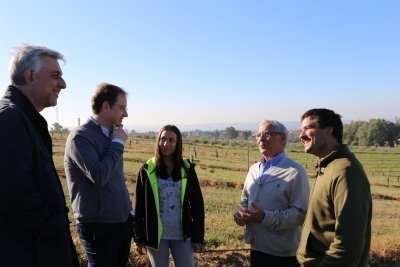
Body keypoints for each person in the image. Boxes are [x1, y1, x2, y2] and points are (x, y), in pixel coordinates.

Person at [0, 43, 79, 266]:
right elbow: (15, 194)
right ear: (30, 76)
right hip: (29, 253)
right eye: (56, 76)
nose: (63, 84)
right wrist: (55, 227)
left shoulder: (26, 119)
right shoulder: (10, 119)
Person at [64, 83, 133, 267]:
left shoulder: (111, 135)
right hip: (98, 227)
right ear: (105, 106)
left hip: (121, 222)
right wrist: (118, 143)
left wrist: (129, 212)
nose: (125, 114)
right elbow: (99, 176)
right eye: (122, 108)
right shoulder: (81, 137)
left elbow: (116, 179)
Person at [296, 108, 372, 266]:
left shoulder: (346, 171)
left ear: (329, 130)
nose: (301, 135)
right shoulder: (326, 166)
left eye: (308, 128)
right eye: (301, 129)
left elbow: (348, 244)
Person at [234, 119, 310, 267]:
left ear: (282, 138)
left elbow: (300, 214)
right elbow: (244, 200)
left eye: (267, 134)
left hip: (282, 253)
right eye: (258, 135)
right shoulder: (254, 169)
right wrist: (240, 215)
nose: (261, 139)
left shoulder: (296, 172)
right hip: (256, 247)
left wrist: (264, 217)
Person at [133, 125, 205, 267]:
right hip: (156, 237)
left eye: (171, 140)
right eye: (163, 139)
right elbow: (139, 206)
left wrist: (198, 236)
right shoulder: (147, 169)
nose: (166, 144)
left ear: (178, 143)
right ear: (158, 141)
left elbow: (197, 204)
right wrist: (138, 238)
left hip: (182, 235)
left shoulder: (187, 169)